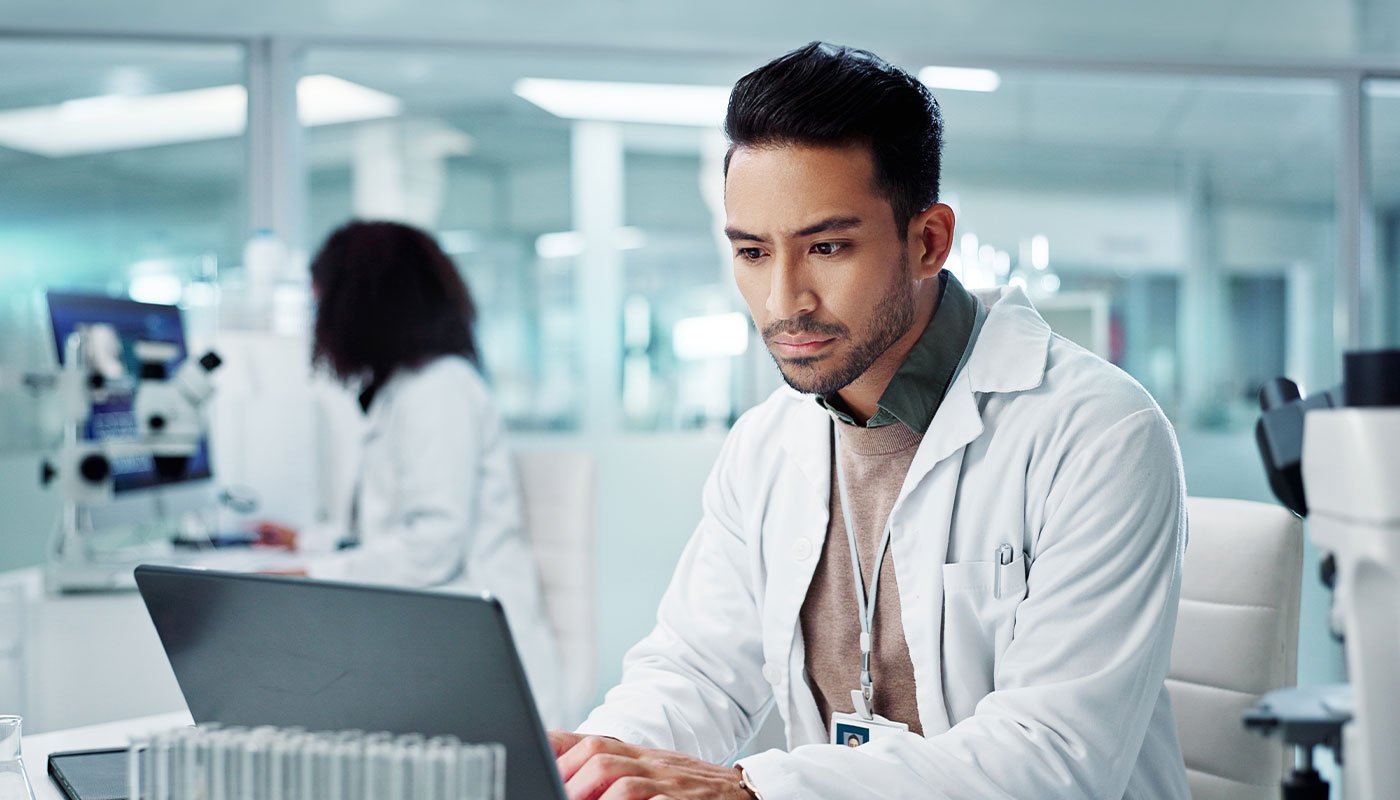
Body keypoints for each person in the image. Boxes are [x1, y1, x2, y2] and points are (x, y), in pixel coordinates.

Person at [549, 43, 1189, 798]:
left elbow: (1052, 761)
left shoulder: (1097, 433)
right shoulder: (765, 447)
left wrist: (755, 789)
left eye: (827, 246)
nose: (785, 298)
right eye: (753, 252)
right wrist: (596, 767)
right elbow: (693, 672)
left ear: (928, 241)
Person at [256, 220, 565, 727]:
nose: (319, 320)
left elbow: (432, 547)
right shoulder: (404, 389)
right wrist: (311, 542)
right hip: (430, 646)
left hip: (471, 669)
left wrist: (312, 574)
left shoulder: (438, 390)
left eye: (323, 302)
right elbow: (390, 530)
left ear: (360, 301)